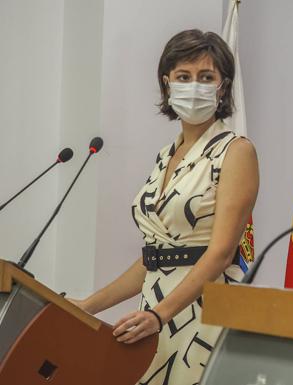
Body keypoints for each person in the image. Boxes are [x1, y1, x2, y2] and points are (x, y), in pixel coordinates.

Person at [70, 29, 259, 384]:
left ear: (223, 86)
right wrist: (89, 306)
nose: (194, 85)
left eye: (206, 77)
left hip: (205, 310)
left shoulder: (236, 151)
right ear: (167, 83)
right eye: (183, 77)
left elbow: (220, 253)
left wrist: (160, 315)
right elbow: (155, 256)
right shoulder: (166, 156)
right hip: (155, 308)